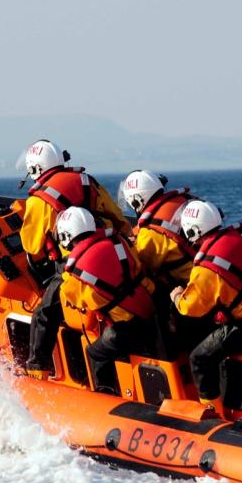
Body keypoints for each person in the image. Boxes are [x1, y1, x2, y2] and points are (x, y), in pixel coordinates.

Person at [18, 140, 129, 376]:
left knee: (43, 314)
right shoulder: (87, 181)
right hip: (112, 252)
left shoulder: (39, 201)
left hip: (75, 266)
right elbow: (117, 216)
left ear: (35, 168)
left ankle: (38, 369)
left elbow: (31, 245)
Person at [171, 200, 242, 412]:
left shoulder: (206, 267)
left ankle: (213, 414)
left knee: (199, 358)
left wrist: (176, 296)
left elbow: (190, 308)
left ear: (192, 231)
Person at [38, 207, 157, 393]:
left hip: (128, 326)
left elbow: (78, 301)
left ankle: (106, 394)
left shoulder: (74, 274)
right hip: (152, 305)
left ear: (66, 237)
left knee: (94, 353)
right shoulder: (119, 242)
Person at [118, 170, 196, 289]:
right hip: (206, 270)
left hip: (192, 285)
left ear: (136, 201)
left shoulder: (150, 233)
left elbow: (141, 266)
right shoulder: (184, 200)